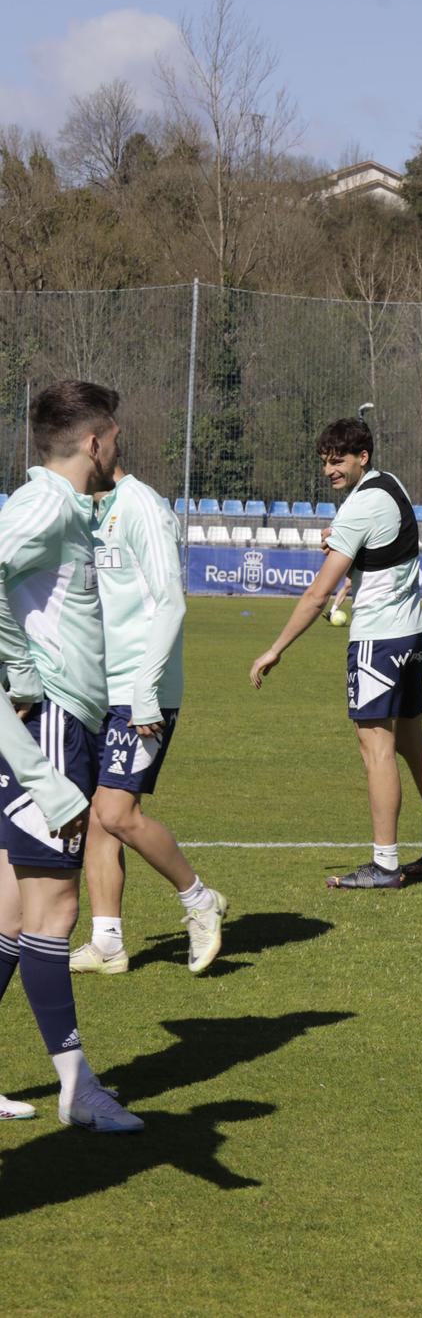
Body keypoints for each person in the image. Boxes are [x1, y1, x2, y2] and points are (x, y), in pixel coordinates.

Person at [0, 380, 144, 1131]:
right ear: (94, 441)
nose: (116, 447)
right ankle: (78, 1088)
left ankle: (73, 1084)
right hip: (51, 728)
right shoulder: (50, 505)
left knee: (10, 908)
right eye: (113, 435)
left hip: (55, 722)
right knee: (54, 911)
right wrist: (22, 671)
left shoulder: (63, 509)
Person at [249, 418, 422, 889]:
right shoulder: (391, 486)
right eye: (325, 461)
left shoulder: (357, 509)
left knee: (376, 751)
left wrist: (275, 648)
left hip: (378, 641)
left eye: (339, 460)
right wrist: (354, 568)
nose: (330, 469)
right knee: (412, 739)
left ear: (361, 457)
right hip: (414, 633)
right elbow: (386, 550)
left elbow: (314, 597)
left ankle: (385, 864)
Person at [69, 458, 229, 977]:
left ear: (92, 448)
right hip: (99, 689)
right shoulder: (89, 512)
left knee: (116, 814)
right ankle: (108, 942)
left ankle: (199, 901)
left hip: (143, 694)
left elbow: (170, 603)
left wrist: (145, 692)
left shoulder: (142, 505)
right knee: (97, 817)